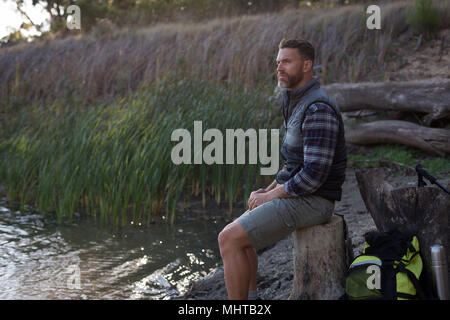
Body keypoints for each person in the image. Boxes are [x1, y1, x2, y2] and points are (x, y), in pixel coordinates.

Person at [218, 39, 347, 300]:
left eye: (287, 61)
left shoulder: (317, 108)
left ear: (307, 65)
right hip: (301, 195)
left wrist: (270, 197)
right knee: (239, 235)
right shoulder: (296, 100)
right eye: (278, 62)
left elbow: (313, 176)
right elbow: (294, 164)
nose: (279, 68)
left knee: (228, 239)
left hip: (315, 201)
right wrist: (268, 188)